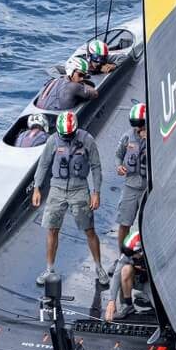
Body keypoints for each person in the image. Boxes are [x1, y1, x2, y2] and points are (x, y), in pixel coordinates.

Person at [32, 111, 108, 286]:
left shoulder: (87, 139)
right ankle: (49, 269)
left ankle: (99, 267)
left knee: (89, 229)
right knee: (52, 229)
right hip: (57, 188)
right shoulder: (52, 141)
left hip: (79, 188)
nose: (66, 137)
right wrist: (37, 188)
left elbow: (96, 166)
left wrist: (96, 192)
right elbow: (43, 164)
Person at [115, 102, 147, 246]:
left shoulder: (154, 136)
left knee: (147, 224)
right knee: (124, 222)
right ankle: (122, 254)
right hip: (131, 186)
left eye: (140, 124)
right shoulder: (127, 137)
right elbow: (118, 155)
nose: (138, 128)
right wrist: (119, 166)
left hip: (148, 187)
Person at [104, 230, 152, 321]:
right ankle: (128, 304)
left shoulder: (154, 252)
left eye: (132, 254)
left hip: (154, 281)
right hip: (141, 279)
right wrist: (111, 300)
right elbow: (116, 276)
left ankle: (148, 295)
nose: (130, 257)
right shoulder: (128, 254)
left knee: (160, 307)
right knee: (125, 269)